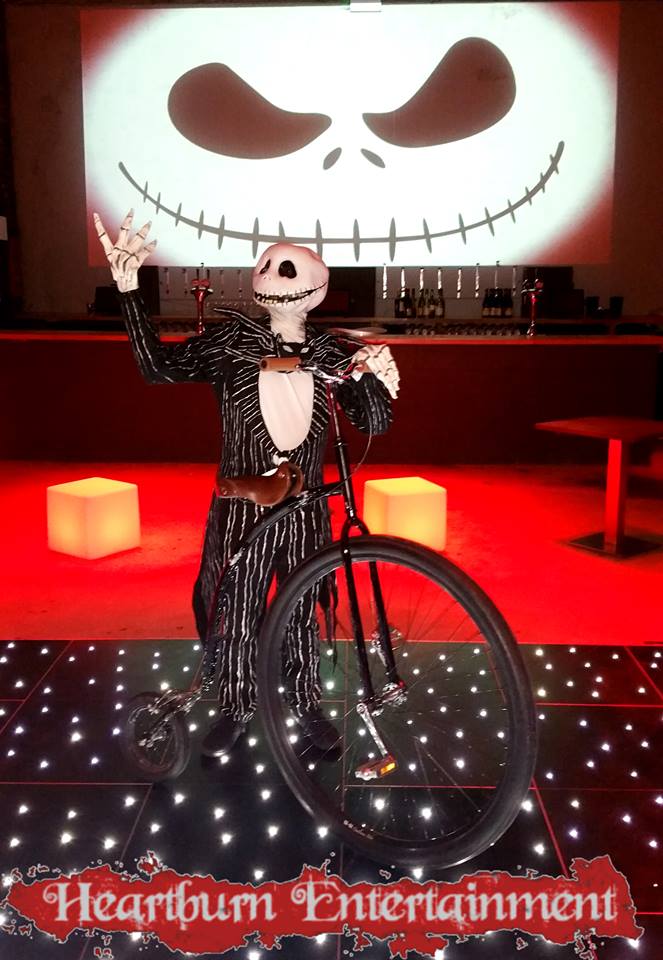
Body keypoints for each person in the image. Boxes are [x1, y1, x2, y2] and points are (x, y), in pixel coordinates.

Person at [94, 210, 399, 757]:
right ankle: (235, 706)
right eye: (268, 267)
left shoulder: (331, 353)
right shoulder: (230, 342)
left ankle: (304, 703)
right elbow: (157, 366)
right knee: (236, 608)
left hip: (305, 507)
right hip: (242, 504)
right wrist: (129, 290)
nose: (276, 277)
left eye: (291, 271)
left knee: (301, 610)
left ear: (319, 288)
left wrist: (375, 377)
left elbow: (374, 422)